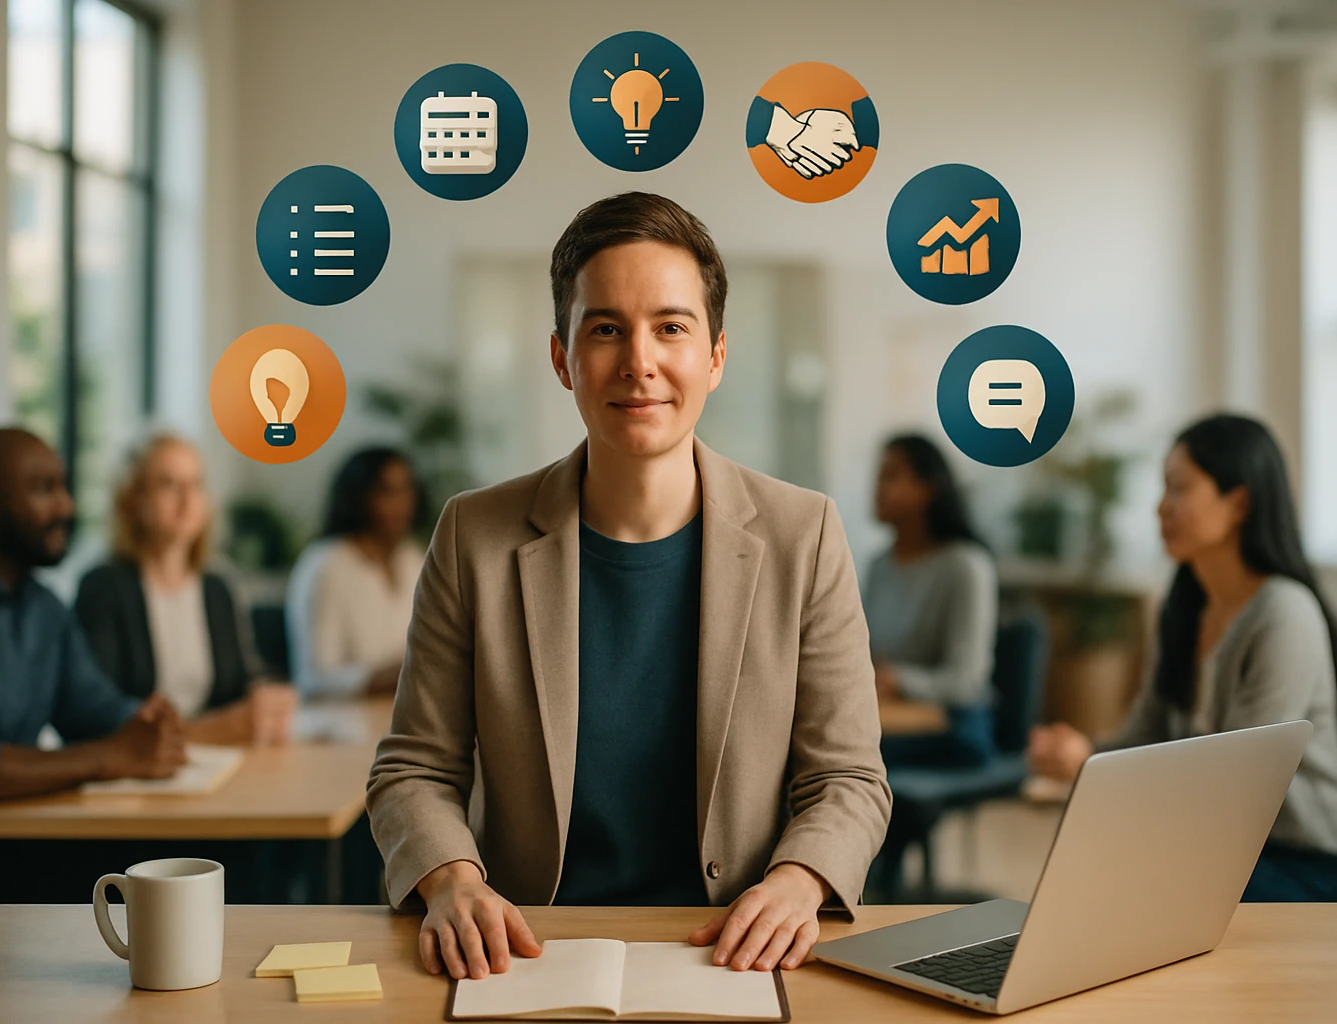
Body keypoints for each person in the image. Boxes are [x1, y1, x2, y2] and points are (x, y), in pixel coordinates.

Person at [367, 192, 890, 984]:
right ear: (561, 357)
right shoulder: (474, 535)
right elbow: (415, 769)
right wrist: (452, 880)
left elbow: (848, 778)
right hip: (524, 950)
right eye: (605, 328)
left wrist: (798, 880)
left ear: (715, 356)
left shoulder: (803, 535)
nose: (638, 361)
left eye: (671, 328)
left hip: (733, 952)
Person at [1027, 414, 1337, 902]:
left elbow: (1239, 787)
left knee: (1127, 886)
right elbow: (1145, 734)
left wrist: (1091, 769)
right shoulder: (1184, 606)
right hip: (1216, 848)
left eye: (1179, 489)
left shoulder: (1283, 613)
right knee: (1093, 865)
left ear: (1240, 502)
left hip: (1298, 861)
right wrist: (1086, 756)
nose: (1160, 508)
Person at [0, 427, 187, 806]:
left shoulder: (45, 607)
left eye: (63, 487)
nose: (66, 507)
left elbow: (91, 709)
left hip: (10, 835)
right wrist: (107, 757)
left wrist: (147, 721)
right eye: (44, 490)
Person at [74, 434, 298, 745]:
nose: (187, 499)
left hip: (215, 762)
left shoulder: (217, 586)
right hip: (138, 769)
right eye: (168, 484)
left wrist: (265, 693)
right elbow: (97, 712)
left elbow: (241, 676)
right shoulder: (103, 587)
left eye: (196, 484)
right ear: (133, 500)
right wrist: (214, 729)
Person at [863, 433, 998, 768]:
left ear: (928, 489)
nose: (877, 488)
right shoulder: (879, 567)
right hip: (890, 718)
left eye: (891, 476)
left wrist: (898, 680)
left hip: (953, 727)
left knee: (842, 761)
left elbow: (967, 681)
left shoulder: (965, 566)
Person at [285, 447, 426, 698]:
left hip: (406, 716)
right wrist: (383, 677)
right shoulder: (326, 566)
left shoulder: (414, 559)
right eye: (387, 492)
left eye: (406, 490)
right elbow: (313, 679)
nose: (401, 503)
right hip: (341, 724)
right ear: (359, 497)